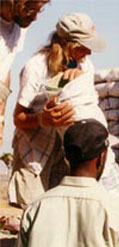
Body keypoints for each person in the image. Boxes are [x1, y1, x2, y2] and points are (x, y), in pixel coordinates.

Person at [9, 12, 119, 209]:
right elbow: (18, 118)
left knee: (59, 211)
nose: (89, 52)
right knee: (32, 210)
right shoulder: (36, 67)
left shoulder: (84, 66)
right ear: (66, 43)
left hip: (65, 151)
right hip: (35, 153)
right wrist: (42, 119)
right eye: (84, 46)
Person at [0, 0, 50, 146]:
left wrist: (1, 118)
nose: (35, 18)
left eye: (38, 11)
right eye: (30, 10)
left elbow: (5, 68)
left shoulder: (20, 26)